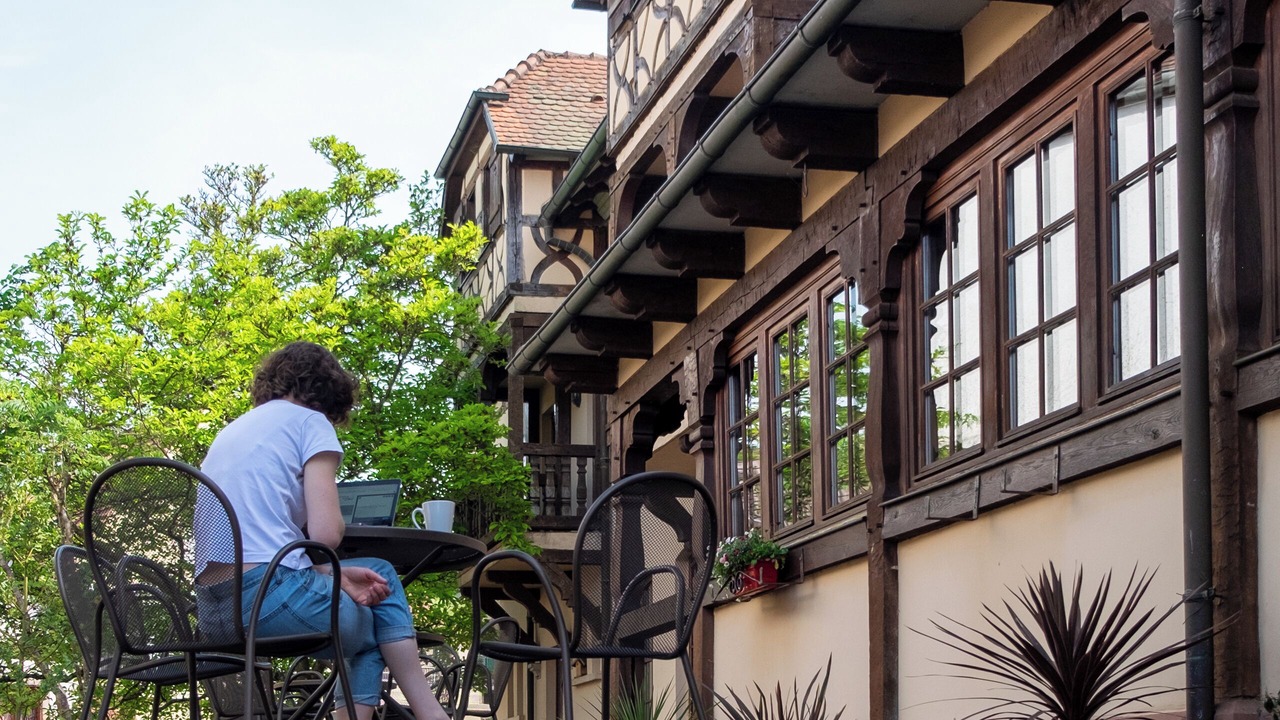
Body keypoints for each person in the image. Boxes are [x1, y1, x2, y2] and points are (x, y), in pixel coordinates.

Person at [197, 341, 448, 720]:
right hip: (264, 600)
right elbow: (326, 534)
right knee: (380, 611)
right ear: (328, 396)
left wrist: (333, 574)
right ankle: (431, 713)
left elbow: (262, 548)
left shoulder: (235, 429)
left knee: (373, 582)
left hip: (213, 612)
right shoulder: (309, 422)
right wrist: (331, 562)